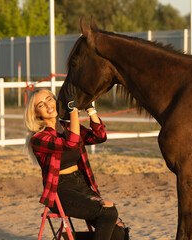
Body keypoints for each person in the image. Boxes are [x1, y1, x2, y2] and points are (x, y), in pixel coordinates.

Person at [24, 89, 128, 240]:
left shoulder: (68, 128)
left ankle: (68, 238)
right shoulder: (39, 138)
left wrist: (90, 109)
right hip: (60, 190)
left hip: (81, 184)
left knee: (120, 233)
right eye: (41, 105)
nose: (48, 105)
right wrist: (74, 111)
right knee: (108, 211)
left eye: (49, 99)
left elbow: (99, 136)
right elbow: (71, 143)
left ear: (56, 101)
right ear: (36, 114)